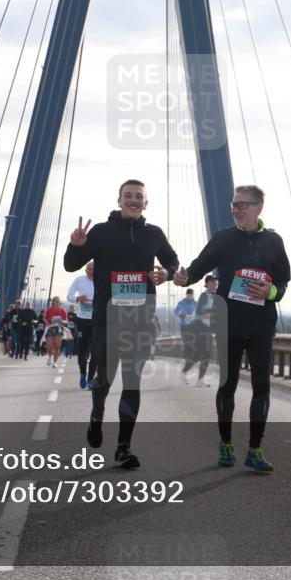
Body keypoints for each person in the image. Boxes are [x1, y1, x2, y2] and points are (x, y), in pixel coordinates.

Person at [63, 179, 179, 469]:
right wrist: (75, 246)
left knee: (132, 380)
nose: (134, 200)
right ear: (119, 200)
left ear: (146, 203)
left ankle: (123, 447)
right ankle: (97, 413)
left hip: (140, 319)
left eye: (139, 196)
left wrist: (166, 272)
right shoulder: (101, 232)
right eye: (128, 196)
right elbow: (70, 264)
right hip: (107, 318)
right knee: (104, 377)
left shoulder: (154, 234)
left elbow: (173, 262)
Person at [174, 185, 290, 474]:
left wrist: (271, 292)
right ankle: (226, 445)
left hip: (262, 326)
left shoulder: (274, 242)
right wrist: (182, 276)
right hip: (229, 325)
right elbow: (197, 269)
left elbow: (283, 285)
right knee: (228, 385)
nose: (236, 209)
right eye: (233, 204)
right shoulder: (224, 239)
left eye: (243, 204)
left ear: (259, 207)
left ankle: (255, 449)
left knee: (262, 387)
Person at [182, 275, 217, 387]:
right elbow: (199, 311)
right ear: (207, 284)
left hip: (205, 328)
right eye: (212, 282)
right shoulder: (204, 296)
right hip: (199, 327)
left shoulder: (215, 296)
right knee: (206, 353)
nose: (215, 284)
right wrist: (212, 312)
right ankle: (199, 379)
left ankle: (185, 372)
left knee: (199, 354)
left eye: (215, 282)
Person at [67, 261, 96, 389]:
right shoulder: (79, 280)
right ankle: (83, 374)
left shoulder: (104, 279)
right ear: (85, 270)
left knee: (96, 352)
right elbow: (69, 295)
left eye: (94, 269)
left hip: (97, 320)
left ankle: (91, 378)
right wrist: (78, 299)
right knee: (82, 350)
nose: (92, 271)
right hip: (82, 319)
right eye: (89, 269)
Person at [174, 288, 198, 373]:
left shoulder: (196, 303)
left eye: (191, 295)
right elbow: (176, 311)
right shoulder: (181, 303)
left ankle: (190, 358)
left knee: (192, 342)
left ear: (193, 295)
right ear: (186, 295)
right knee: (186, 342)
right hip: (184, 326)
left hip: (193, 326)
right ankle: (187, 359)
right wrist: (182, 314)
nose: (190, 297)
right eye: (189, 295)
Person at [43, 296, 68, 368]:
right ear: (53, 302)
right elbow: (44, 318)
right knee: (50, 346)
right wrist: (47, 322)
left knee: (57, 347)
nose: (56, 302)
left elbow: (66, 321)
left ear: (60, 302)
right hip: (50, 328)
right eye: (55, 300)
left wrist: (62, 321)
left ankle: (55, 362)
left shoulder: (63, 310)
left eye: (58, 301)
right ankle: (49, 357)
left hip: (59, 329)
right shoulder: (48, 310)